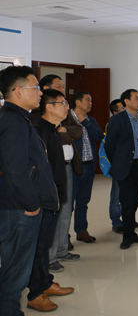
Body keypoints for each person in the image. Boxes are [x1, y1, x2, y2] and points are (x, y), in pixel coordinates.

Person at [0, 66, 56, 315]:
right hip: (18, 208)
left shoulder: (19, 119)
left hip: (17, 205)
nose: (41, 93)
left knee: (15, 267)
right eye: (36, 88)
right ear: (18, 91)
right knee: (15, 270)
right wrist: (32, 204)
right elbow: (15, 169)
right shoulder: (14, 121)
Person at [28, 89, 75, 312]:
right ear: (49, 107)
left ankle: (45, 283)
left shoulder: (53, 131)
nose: (67, 107)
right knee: (39, 247)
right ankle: (35, 294)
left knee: (45, 244)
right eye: (62, 103)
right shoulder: (38, 132)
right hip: (44, 199)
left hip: (55, 197)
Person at [38, 74, 82, 272]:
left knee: (65, 210)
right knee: (53, 212)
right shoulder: (37, 117)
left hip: (67, 166)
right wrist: (64, 132)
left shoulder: (64, 114)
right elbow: (56, 137)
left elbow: (78, 132)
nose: (63, 90)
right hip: (50, 170)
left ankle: (62, 250)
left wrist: (65, 131)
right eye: (58, 87)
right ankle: (50, 257)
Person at [104, 89, 138, 250]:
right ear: (126, 102)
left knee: (136, 200)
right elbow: (109, 145)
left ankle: (130, 231)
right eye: (136, 98)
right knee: (127, 202)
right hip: (124, 167)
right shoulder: (117, 120)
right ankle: (128, 235)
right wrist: (118, 162)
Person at [70, 91, 104, 244]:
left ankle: (81, 231)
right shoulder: (66, 118)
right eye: (87, 100)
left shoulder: (90, 119)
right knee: (68, 204)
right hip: (73, 167)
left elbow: (98, 136)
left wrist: (85, 122)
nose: (91, 103)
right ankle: (64, 237)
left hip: (89, 166)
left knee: (83, 201)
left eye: (91, 100)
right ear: (77, 102)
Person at [107, 99, 125, 234]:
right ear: (115, 113)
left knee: (129, 196)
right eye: (122, 110)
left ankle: (128, 219)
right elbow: (110, 146)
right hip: (118, 164)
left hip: (130, 165)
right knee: (116, 196)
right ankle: (116, 222)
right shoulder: (112, 124)